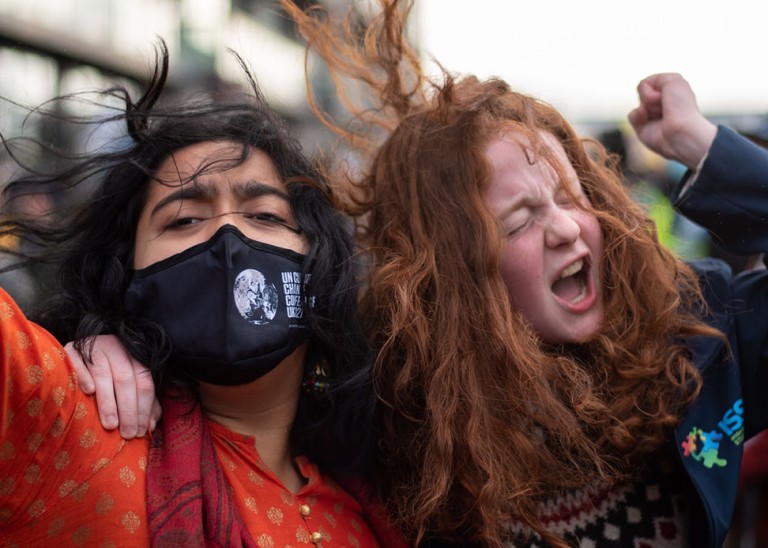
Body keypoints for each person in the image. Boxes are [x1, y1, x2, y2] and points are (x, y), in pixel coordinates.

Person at [72, 6, 768, 548]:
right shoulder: (395, 400)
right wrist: (106, 340)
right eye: (520, 219)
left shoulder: (700, 335)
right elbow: (233, 364)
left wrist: (709, 154)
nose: (562, 227)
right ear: (459, 273)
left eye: (570, 195)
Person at [0, 43, 405, 546]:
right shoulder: (69, 421)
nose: (227, 241)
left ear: (319, 265)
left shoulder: (384, 494)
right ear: (128, 278)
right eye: (184, 220)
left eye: (265, 216)